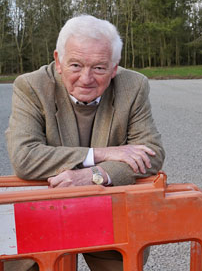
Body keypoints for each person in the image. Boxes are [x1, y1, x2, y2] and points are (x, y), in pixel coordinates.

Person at [5, 15, 165, 271]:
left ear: (114, 68)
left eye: (99, 68)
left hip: (104, 214)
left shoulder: (133, 86)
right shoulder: (31, 86)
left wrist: (95, 175)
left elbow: (151, 155)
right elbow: (25, 157)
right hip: (42, 213)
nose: (86, 78)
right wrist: (103, 154)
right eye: (76, 65)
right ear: (58, 61)